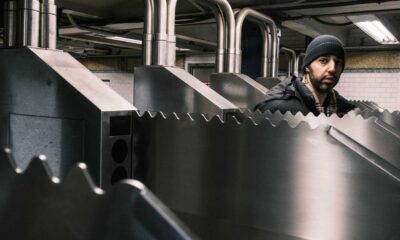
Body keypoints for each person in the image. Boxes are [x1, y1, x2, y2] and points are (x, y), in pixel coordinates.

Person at [254, 34, 355, 116]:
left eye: (338, 63)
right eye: (323, 61)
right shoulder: (276, 109)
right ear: (307, 67)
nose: (333, 68)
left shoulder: (346, 110)